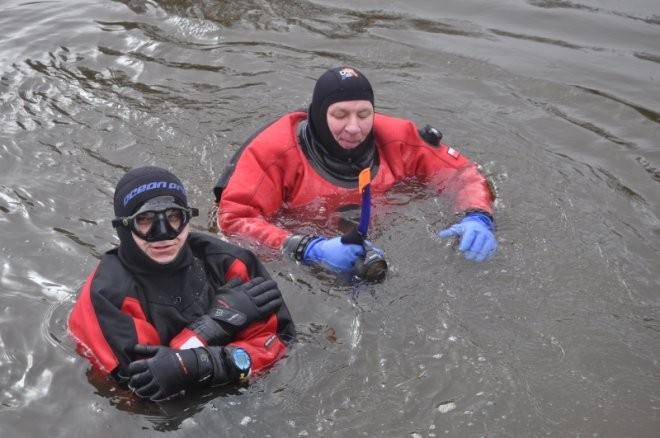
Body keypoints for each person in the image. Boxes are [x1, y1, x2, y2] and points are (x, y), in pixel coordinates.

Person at [214, 66, 497, 279]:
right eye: (340, 116)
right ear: (319, 114)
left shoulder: (397, 138)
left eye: (364, 115)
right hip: (304, 246)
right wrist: (305, 249)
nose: (354, 128)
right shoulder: (275, 152)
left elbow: (462, 174)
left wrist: (477, 215)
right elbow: (234, 219)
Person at [68, 166, 296, 402]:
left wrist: (204, 364)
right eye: (145, 220)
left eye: (174, 217)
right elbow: (144, 390)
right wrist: (215, 324)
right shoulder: (107, 297)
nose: (164, 233)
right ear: (124, 227)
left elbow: (279, 343)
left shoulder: (228, 262)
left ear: (187, 217)